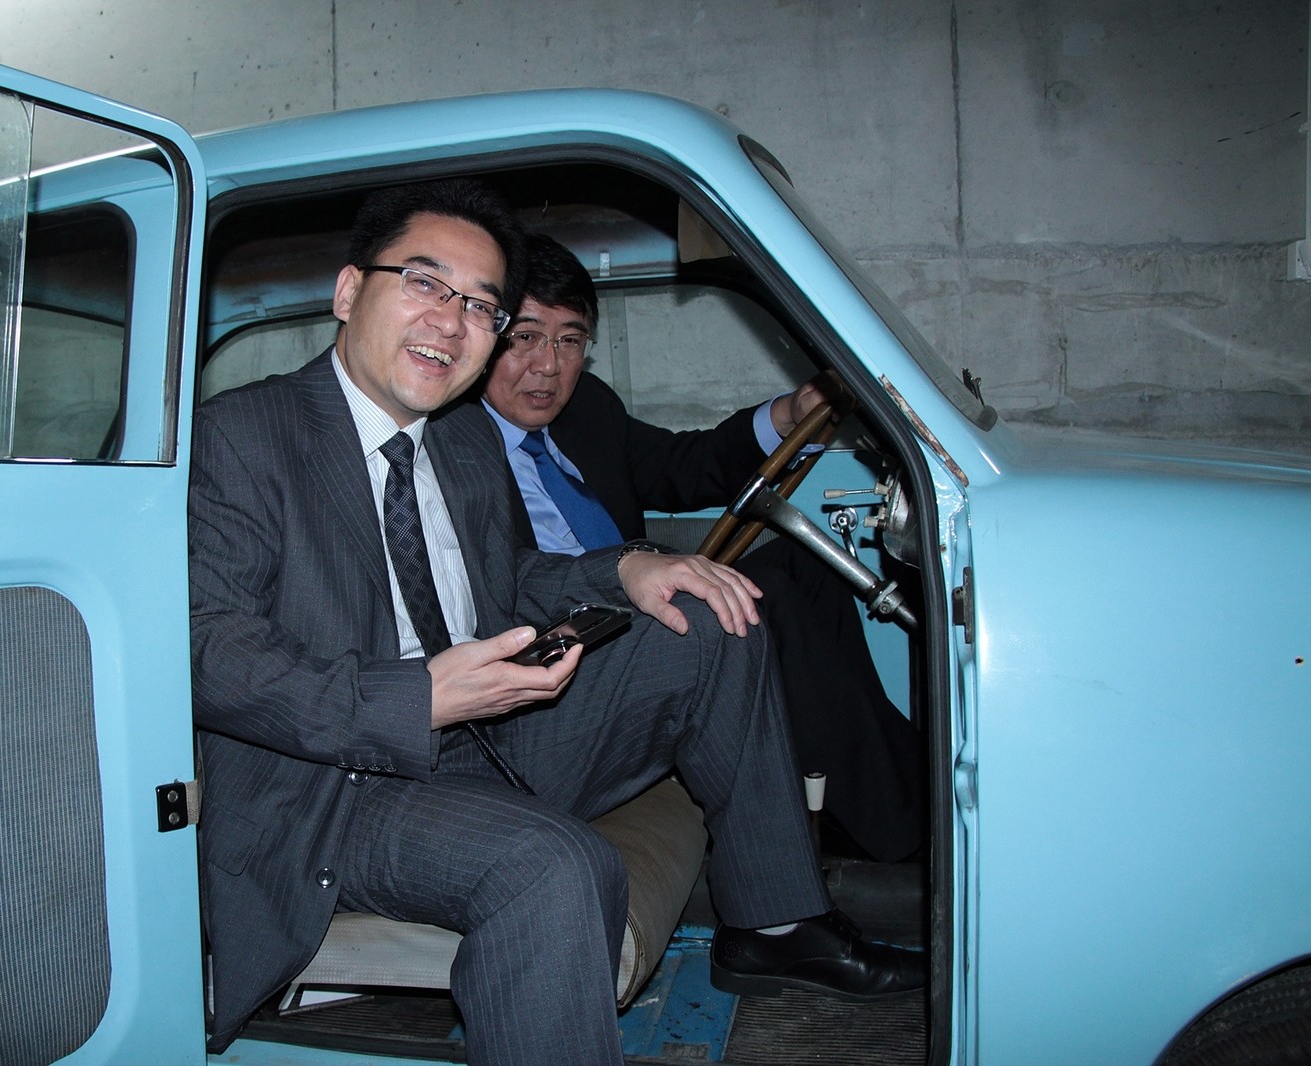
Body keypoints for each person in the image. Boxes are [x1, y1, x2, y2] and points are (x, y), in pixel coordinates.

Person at [189, 179, 922, 1065]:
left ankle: (774, 924)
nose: (451, 321)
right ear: (349, 292)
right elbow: (206, 651)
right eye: (424, 283)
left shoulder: (460, 438)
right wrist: (415, 698)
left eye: (480, 305)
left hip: (487, 730)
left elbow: (509, 575)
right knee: (558, 866)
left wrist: (627, 567)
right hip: (342, 783)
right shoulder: (240, 436)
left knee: (707, 617)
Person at [480, 233, 924, 866]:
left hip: (646, 606)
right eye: (525, 337)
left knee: (802, 564)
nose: (549, 366)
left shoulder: (585, 410)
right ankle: (904, 828)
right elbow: (504, 583)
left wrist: (789, 413)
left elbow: (677, 467)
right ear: (486, 333)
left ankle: (870, 786)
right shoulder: (452, 447)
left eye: (570, 340)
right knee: (758, 605)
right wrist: (629, 573)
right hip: (573, 655)